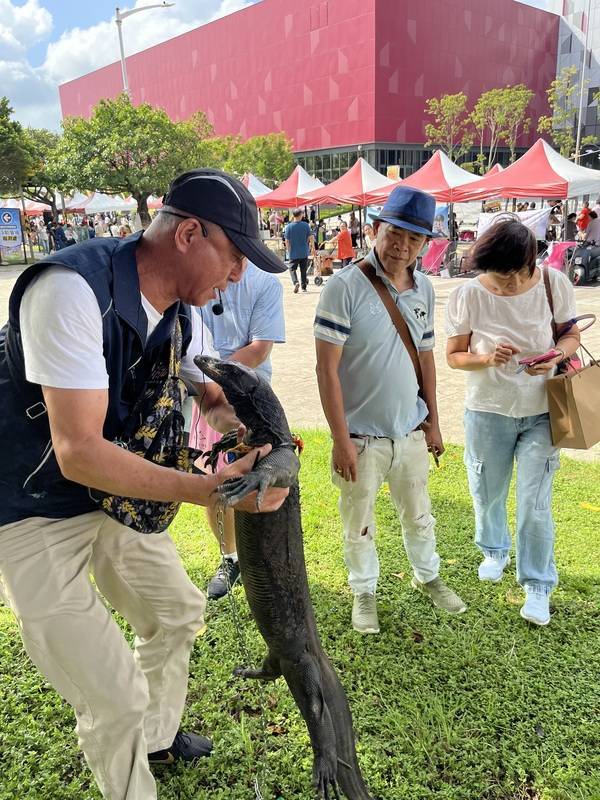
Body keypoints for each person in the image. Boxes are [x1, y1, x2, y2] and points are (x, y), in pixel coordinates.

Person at [0, 168, 288, 800]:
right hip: (31, 505)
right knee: (114, 696)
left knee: (178, 612)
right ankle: (131, 758)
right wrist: (208, 491)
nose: (239, 276)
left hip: (111, 498)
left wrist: (240, 430)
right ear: (189, 233)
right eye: (236, 256)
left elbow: (207, 393)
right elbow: (77, 453)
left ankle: (156, 737)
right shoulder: (71, 290)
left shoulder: (182, 313)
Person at [314, 186, 466, 635]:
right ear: (376, 229)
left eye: (415, 239)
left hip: (410, 432)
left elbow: (425, 359)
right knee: (359, 522)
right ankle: (364, 590)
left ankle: (428, 576)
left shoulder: (425, 289)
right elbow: (326, 369)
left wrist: (433, 422)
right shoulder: (344, 287)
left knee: (419, 513)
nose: (402, 245)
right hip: (361, 437)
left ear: (425, 244)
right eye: (395, 233)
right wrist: (340, 440)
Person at [445, 219, 579, 626]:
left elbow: (571, 336)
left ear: (529, 263)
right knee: (486, 491)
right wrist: (487, 358)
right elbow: (454, 355)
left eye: (510, 277)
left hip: (542, 411)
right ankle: (494, 549)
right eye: (494, 276)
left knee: (534, 504)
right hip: (488, 411)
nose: (502, 285)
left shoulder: (554, 285)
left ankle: (537, 584)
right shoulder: (469, 294)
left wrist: (554, 356)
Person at [188, 262, 285, 599]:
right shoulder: (194, 277)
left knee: (259, 485)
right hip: (204, 392)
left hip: (250, 401)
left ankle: (259, 557)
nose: (234, 272)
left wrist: (219, 372)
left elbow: (259, 349)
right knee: (214, 473)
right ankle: (230, 557)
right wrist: (205, 377)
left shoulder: (264, 284)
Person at [284, 207, 313, 293]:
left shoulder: (289, 227)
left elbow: (287, 241)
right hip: (304, 251)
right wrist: (311, 248)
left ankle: (296, 282)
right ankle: (304, 287)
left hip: (293, 252)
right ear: (300, 215)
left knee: (292, 269)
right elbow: (310, 237)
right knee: (303, 270)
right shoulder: (306, 225)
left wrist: (289, 250)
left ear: (293, 215)